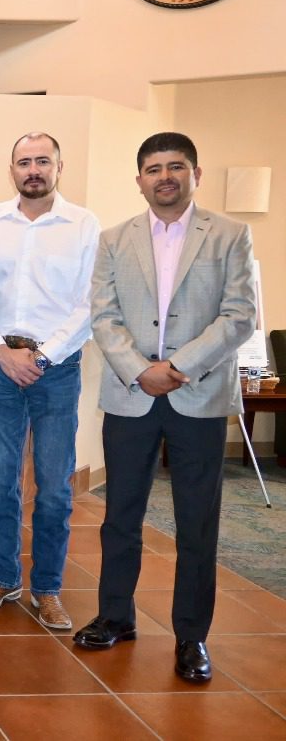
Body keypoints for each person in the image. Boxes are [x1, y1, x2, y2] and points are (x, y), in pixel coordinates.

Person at [74, 132, 255, 684]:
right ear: (140, 181)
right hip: (130, 395)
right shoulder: (114, 239)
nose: (165, 177)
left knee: (197, 522)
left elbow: (240, 315)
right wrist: (140, 369)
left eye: (176, 167)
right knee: (120, 516)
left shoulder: (230, 234)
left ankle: (191, 635)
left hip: (199, 395)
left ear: (195, 174)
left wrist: (177, 367)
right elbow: (103, 315)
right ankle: (115, 615)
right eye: (154, 169)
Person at [0, 133, 100, 629]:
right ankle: (3, 577)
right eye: (24, 162)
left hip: (56, 371)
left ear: (59, 167)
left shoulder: (83, 225)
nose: (34, 170)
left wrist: (42, 356)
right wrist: (0, 350)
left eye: (43, 161)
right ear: (12, 170)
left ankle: (47, 588)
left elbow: (90, 303)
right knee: (0, 483)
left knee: (54, 486)